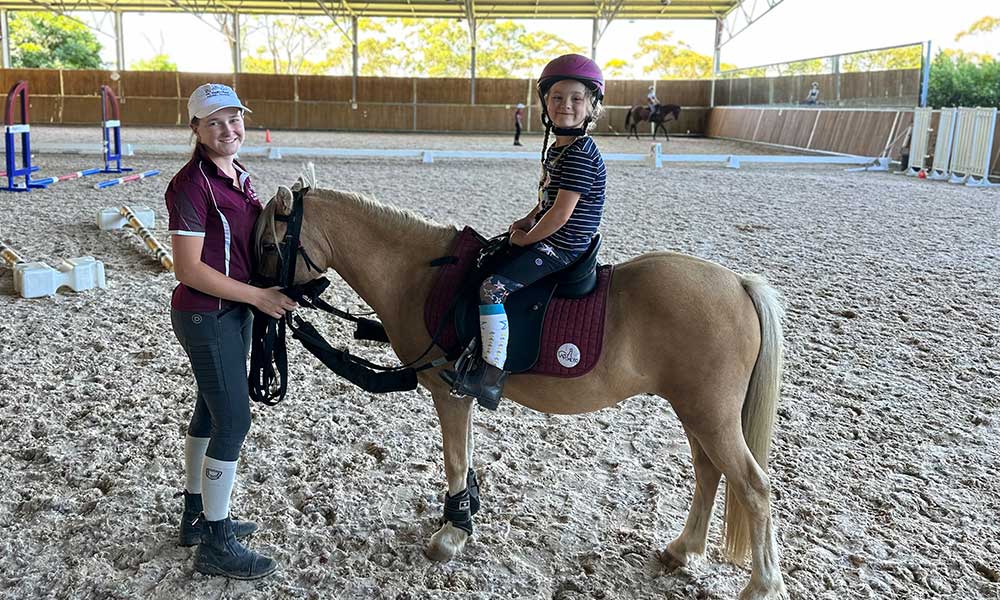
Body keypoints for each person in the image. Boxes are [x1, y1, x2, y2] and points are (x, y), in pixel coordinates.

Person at [167, 83, 297, 580]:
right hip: (206, 312)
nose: (228, 130)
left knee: (211, 410)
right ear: (196, 129)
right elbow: (188, 269)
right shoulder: (190, 186)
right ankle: (217, 544)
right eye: (215, 122)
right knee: (235, 423)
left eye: (234, 119)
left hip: (233, 310)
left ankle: (195, 516)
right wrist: (258, 297)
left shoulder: (239, 174)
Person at [443, 54, 607, 409]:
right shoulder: (560, 149)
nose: (565, 105)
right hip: (550, 234)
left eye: (576, 99)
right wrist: (528, 218)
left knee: (492, 288)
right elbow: (549, 200)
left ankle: (490, 375)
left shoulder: (580, 154)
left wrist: (527, 238)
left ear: (591, 105)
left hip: (563, 247)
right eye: (557, 97)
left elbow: (562, 214)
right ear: (546, 103)